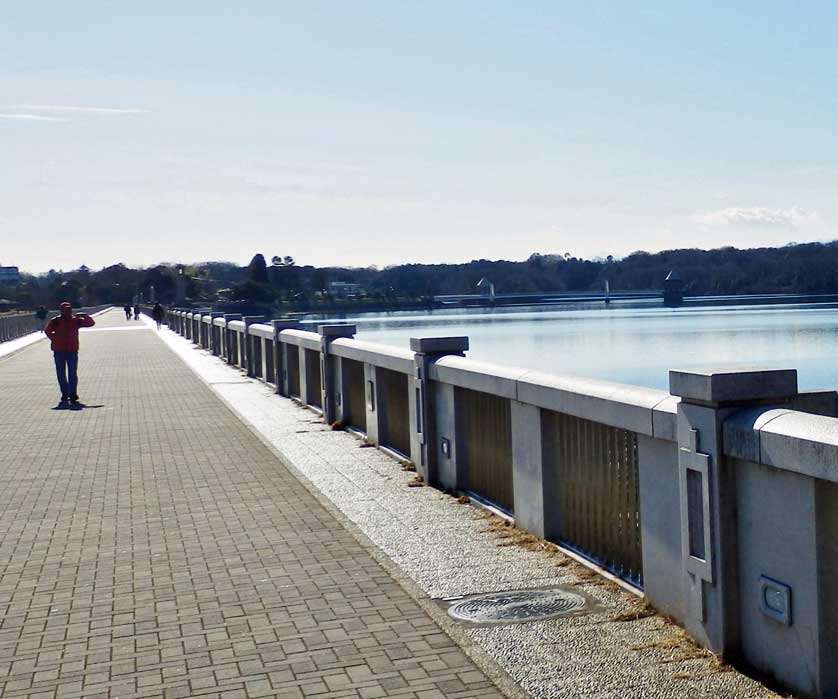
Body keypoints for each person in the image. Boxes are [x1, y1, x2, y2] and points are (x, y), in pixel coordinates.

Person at [44, 302, 95, 407]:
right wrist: (55, 340)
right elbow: (48, 331)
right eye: (65, 310)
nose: (68, 311)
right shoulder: (56, 321)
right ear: (61, 311)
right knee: (61, 374)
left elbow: (91, 323)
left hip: (72, 350)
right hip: (59, 351)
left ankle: (72, 394)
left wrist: (84, 315)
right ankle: (65, 393)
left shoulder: (75, 320)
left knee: (72, 373)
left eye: (69, 309)